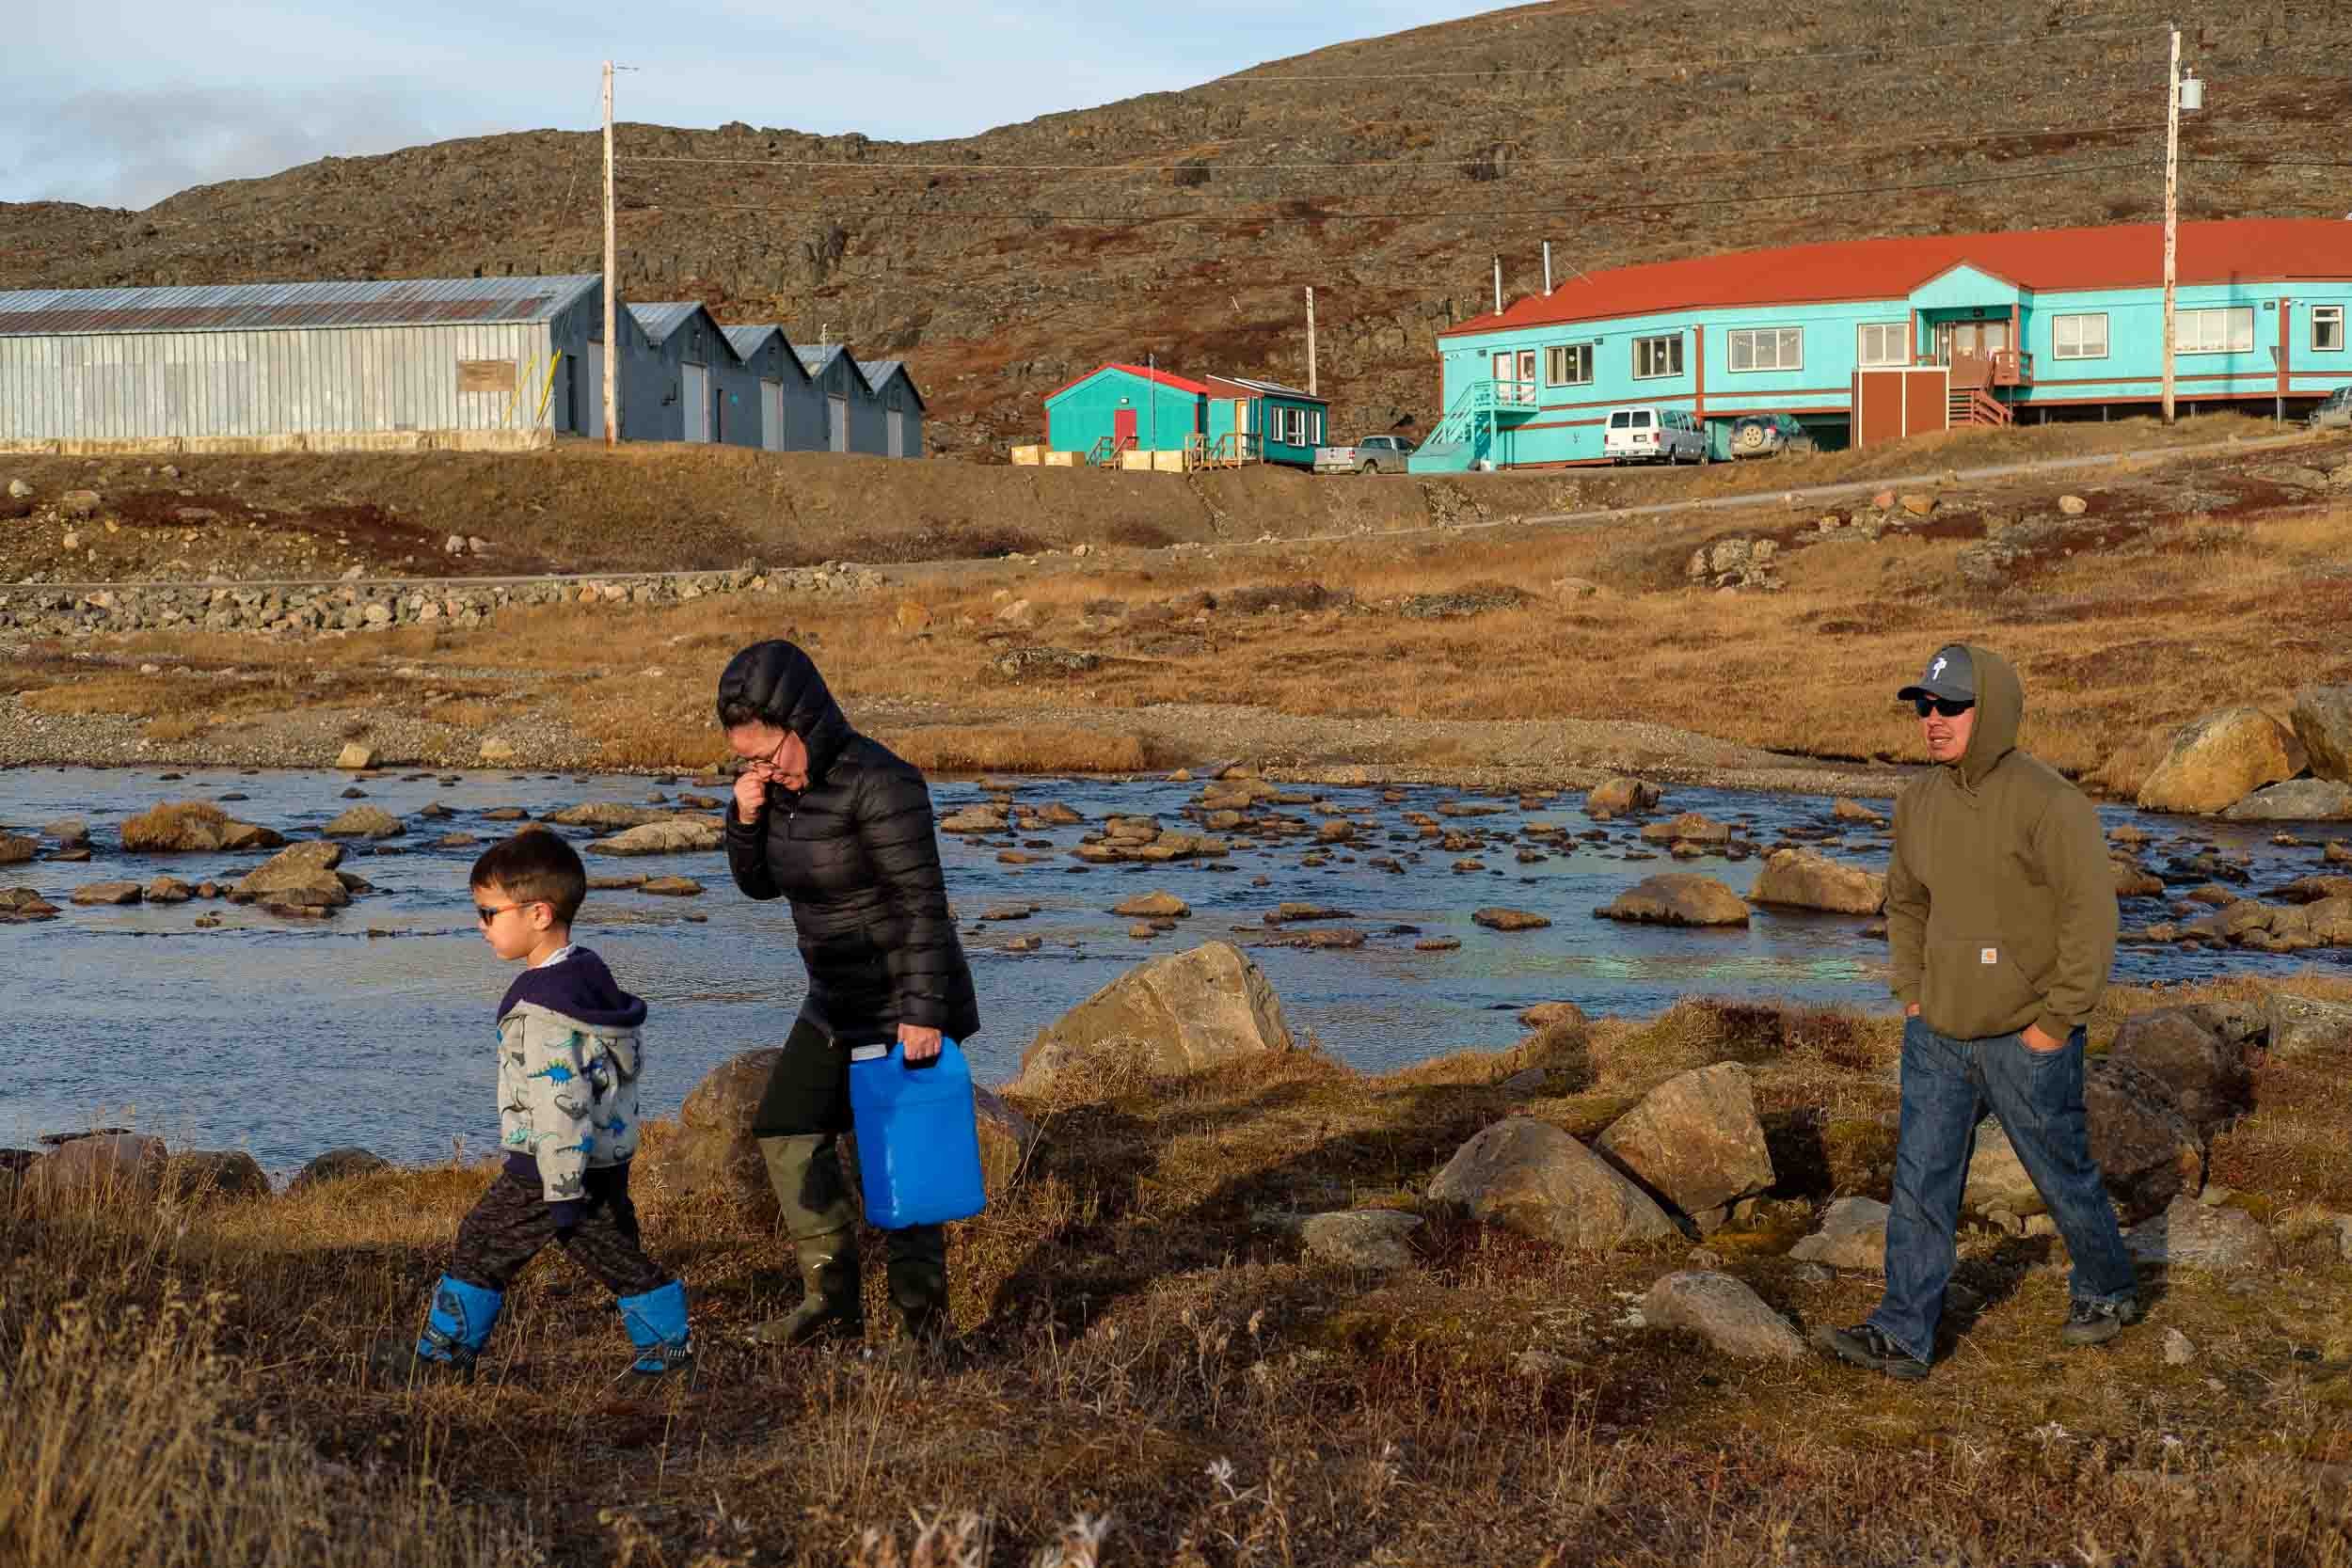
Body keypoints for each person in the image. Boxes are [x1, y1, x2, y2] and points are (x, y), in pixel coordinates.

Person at [1820, 644, 2137, 1381]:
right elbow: (1906, 900)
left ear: (1988, 709)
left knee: (2063, 1174)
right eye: (1924, 706)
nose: (1933, 720)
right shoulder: (1917, 802)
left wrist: (2054, 1023)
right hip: (1938, 1033)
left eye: (1950, 706)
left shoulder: (2051, 802)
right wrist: (1912, 989)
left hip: (2025, 1035)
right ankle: (1902, 1334)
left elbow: (2090, 918)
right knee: (1921, 1179)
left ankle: (2109, 1288)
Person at [717, 639, 980, 1353]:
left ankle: (921, 1333)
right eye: (748, 761)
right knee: (785, 1126)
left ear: (805, 720)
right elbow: (761, 883)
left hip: (902, 997)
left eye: (769, 754)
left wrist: (923, 1014)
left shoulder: (884, 782)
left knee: (904, 1163)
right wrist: (743, 819)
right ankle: (830, 1301)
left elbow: (923, 903)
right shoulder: (778, 793)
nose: (763, 769)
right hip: (833, 996)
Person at [407, 831, 692, 1379]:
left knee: (481, 1245)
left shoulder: (542, 1008)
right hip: (604, 1156)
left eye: (488, 913)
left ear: (538, 913)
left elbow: (561, 1103)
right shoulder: (588, 977)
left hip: (548, 1164)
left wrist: (560, 1188)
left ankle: (441, 1362)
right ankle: (668, 1353)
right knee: (606, 1248)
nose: (481, 925)